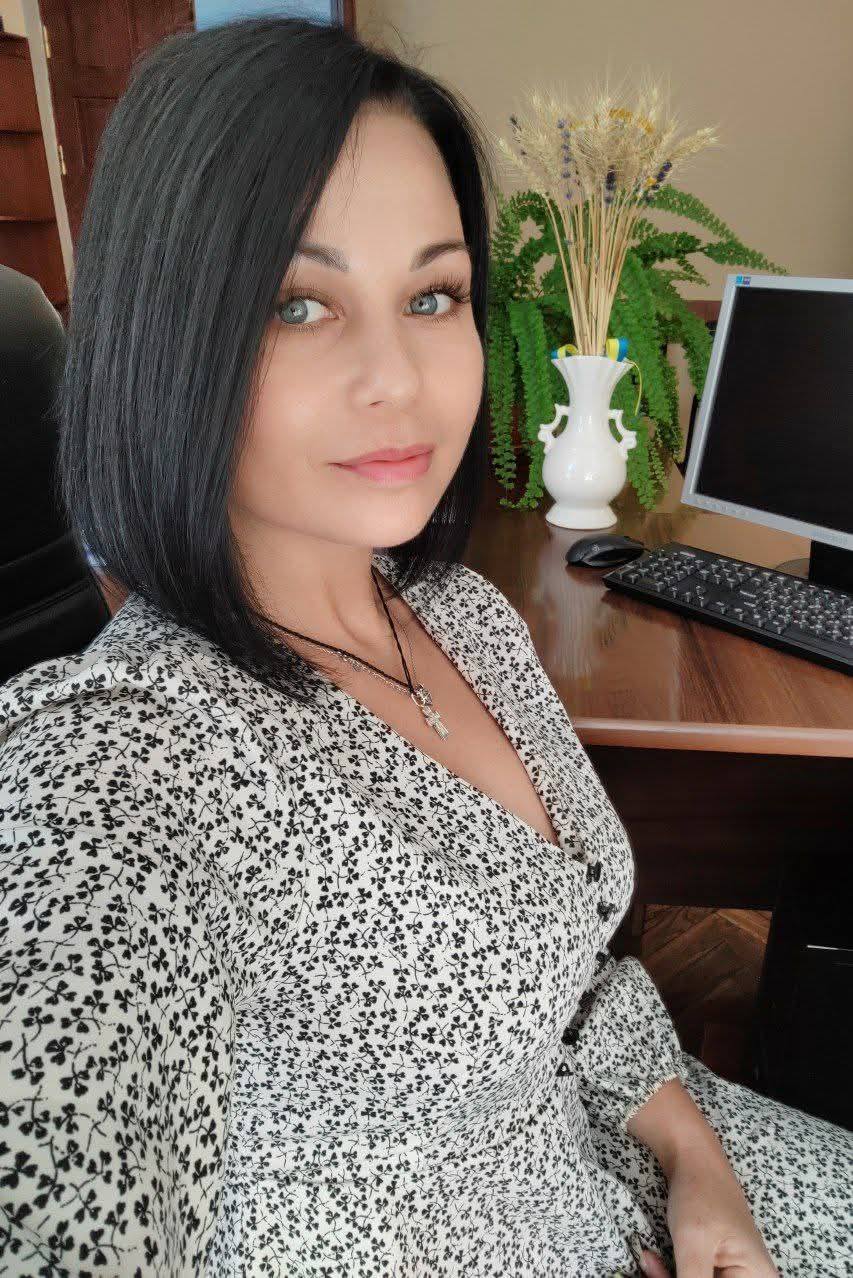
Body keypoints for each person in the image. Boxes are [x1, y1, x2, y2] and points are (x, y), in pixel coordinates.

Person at [0, 16, 850, 1278]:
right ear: (166, 337)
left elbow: (576, 966)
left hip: (632, 1166)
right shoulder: (126, 758)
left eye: (433, 295)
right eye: (297, 303)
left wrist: (695, 1161)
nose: (398, 376)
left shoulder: (463, 614)